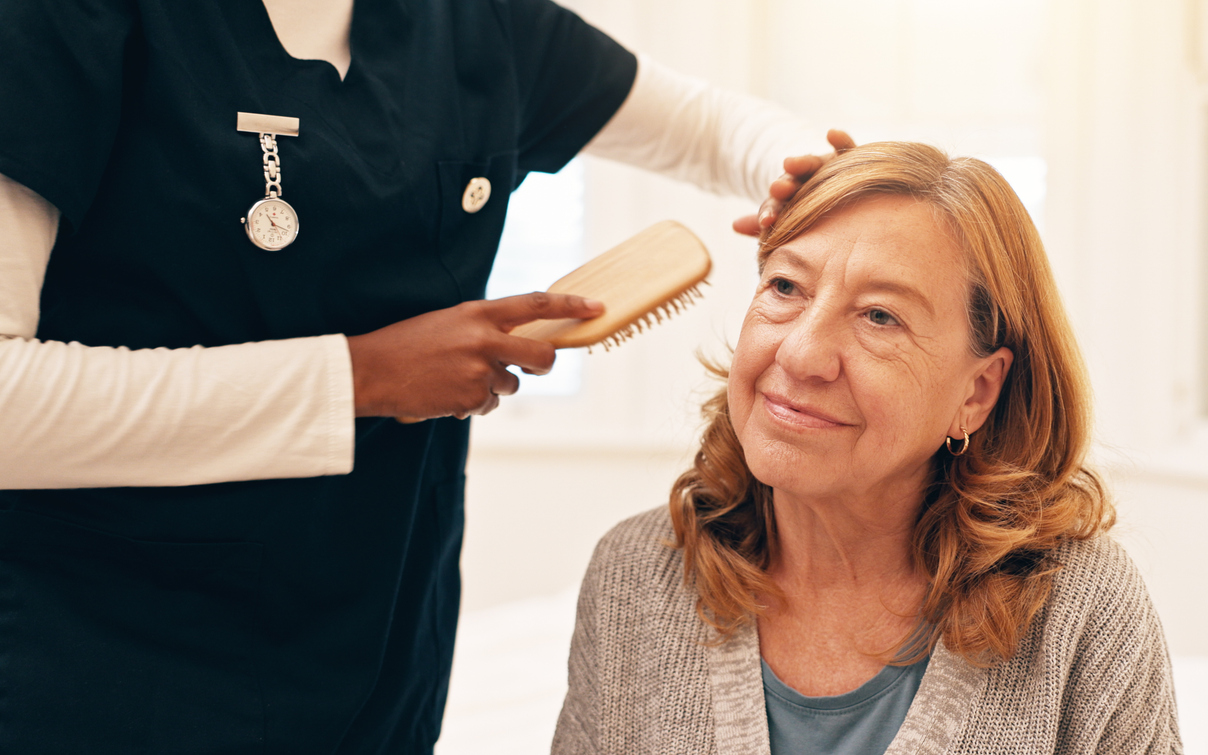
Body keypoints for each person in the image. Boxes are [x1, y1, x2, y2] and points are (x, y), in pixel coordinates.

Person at [0, 0, 852, 751]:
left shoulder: (476, 26)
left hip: (377, 655)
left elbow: (718, 129)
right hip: (103, 665)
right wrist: (361, 377)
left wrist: (816, 180)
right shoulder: (62, 20)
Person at [553, 142, 1182, 754]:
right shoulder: (632, 576)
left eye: (880, 316)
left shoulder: (1081, 610)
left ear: (976, 392)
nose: (799, 354)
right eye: (786, 287)